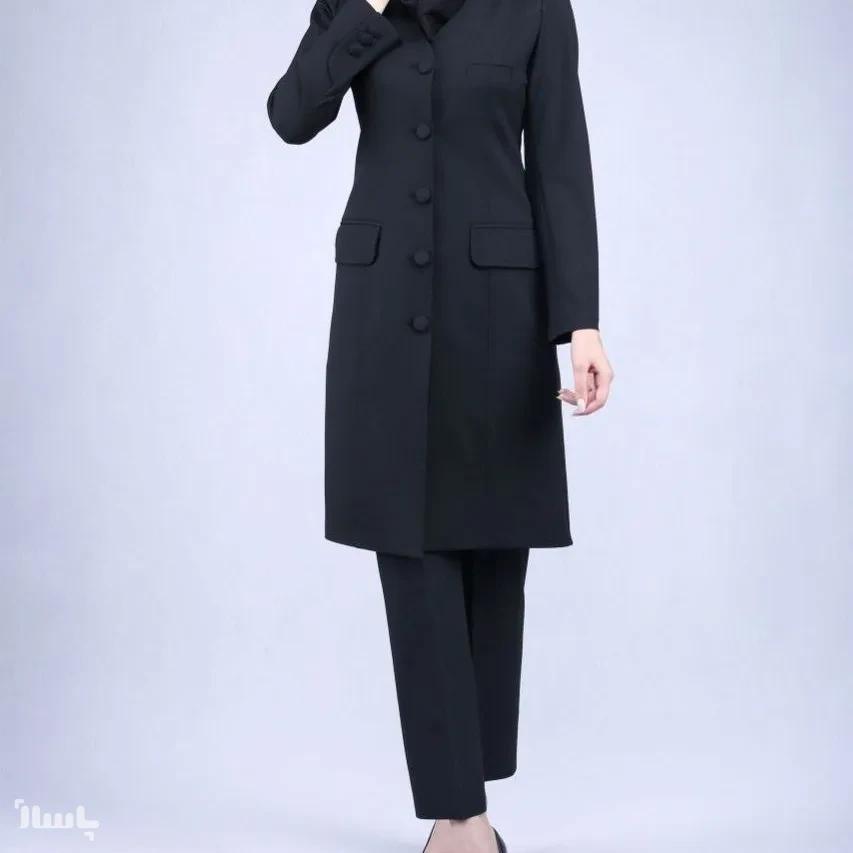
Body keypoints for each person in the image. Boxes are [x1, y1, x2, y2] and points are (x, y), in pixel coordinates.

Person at [266, 0, 613, 850]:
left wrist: (580, 323)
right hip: (383, 313)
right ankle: (461, 821)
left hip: (497, 313)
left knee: (493, 559)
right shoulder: (352, 7)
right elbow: (291, 115)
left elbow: (559, 159)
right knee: (409, 551)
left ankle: (471, 795)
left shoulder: (534, 9)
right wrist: (366, 8)